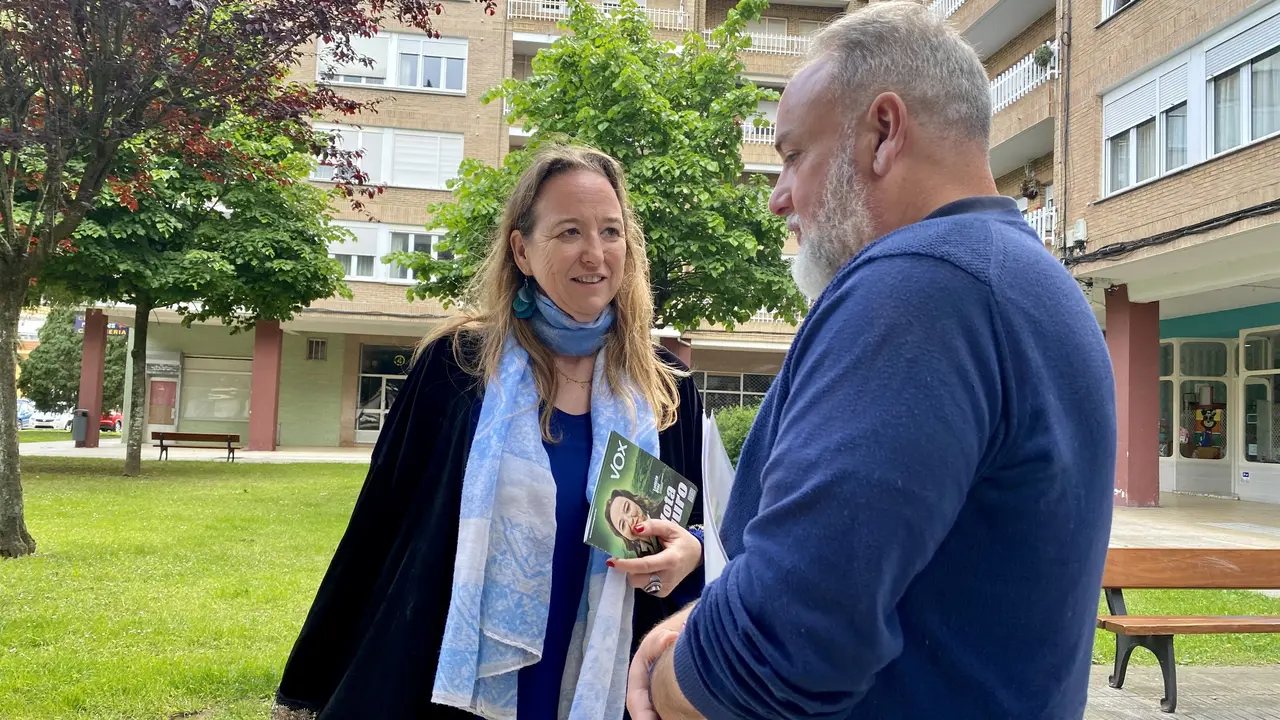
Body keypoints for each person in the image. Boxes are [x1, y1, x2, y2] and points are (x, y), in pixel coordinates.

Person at [623, 3, 1117, 718]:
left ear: (883, 133)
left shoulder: (918, 286)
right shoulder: (1034, 285)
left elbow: (784, 644)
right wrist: (711, 622)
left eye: (793, 155)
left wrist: (666, 686)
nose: (776, 198)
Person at [271, 144, 707, 720]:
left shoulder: (662, 384)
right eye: (570, 232)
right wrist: (313, 678)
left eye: (611, 231)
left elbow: (702, 524)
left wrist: (691, 549)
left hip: (605, 669)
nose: (595, 254)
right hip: (460, 668)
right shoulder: (458, 367)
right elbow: (381, 522)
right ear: (522, 251)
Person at [606, 488, 664, 557]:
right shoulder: (639, 558)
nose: (630, 521)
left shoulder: (666, 508)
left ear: (635, 501)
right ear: (623, 536)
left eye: (627, 508)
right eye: (623, 525)